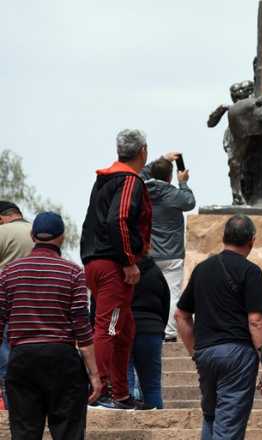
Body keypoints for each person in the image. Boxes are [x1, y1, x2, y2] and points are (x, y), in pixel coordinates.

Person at [0, 212, 102, 438]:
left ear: (32, 235)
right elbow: (82, 328)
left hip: (22, 359)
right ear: (62, 238)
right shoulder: (73, 272)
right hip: (62, 360)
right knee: (69, 433)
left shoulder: (8, 273)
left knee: (24, 433)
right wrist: (95, 375)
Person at [175, 215, 262, 439]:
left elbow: (181, 315)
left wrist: (195, 352)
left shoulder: (202, 270)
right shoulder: (251, 272)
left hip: (206, 353)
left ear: (224, 237)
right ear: (252, 240)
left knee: (211, 416)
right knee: (228, 426)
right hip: (237, 355)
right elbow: (256, 320)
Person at [81, 128, 153, 410]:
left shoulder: (105, 179)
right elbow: (119, 220)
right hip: (112, 264)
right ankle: (105, 390)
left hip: (97, 261)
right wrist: (128, 261)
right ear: (143, 152)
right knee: (109, 326)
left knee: (124, 328)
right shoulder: (128, 180)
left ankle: (121, 393)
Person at [141, 153, 196, 343]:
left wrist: (162, 158)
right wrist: (184, 182)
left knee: (148, 293)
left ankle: (146, 329)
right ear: (170, 177)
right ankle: (170, 334)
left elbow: (138, 173)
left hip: (148, 255)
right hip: (172, 255)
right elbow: (190, 201)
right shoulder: (175, 194)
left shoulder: (141, 191)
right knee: (173, 294)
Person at [0, 201, 34, 406]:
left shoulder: (2, 232)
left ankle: (8, 399)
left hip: (6, 298)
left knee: (4, 349)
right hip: (37, 302)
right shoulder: (37, 231)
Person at [126, 257, 170, 409]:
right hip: (151, 330)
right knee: (152, 386)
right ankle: (158, 424)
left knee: (125, 385)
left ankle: (127, 424)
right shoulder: (156, 271)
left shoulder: (119, 269)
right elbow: (166, 301)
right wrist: (159, 328)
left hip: (123, 327)